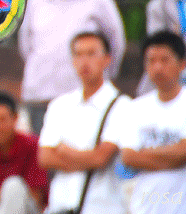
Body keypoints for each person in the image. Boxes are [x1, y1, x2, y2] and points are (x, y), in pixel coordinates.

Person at [18, 0, 125, 135]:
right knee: (45, 155)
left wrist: (104, 75)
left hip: (81, 92)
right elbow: (26, 44)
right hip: (41, 92)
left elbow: (116, 42)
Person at [38, 31, 131, 214]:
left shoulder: (122, 105)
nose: (84, 61)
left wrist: (64, 151)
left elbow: (102, 158)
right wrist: (88, 158)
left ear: (106, 59)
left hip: (102, 207)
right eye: (78, 54)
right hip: (60, 206)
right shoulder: (60, 105)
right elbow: (45, 158)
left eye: (91, 54)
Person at [120, 30, 186, 214]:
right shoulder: (136, 107)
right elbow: (128, 157)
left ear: (182, 64)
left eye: (165, 60)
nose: (157, 67)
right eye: (151, 60)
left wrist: (145, 156)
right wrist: (174, 157)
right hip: (144, 207)